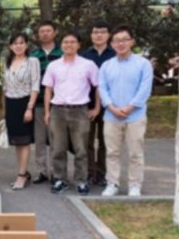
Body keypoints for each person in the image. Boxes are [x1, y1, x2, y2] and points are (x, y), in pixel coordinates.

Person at [43, 31, 99, 195]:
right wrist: (47, 112)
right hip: (57, 110)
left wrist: (96, 108)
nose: (69, 45)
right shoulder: (54, 66)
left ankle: (81, 181)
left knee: (81, 149)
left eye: (72, 42)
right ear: (61, 45)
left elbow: (98, 87)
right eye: (65, 42)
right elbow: (48, 90)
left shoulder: (88, 65)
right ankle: (60, 179)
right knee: (57, 148)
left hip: (80, 110)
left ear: (79, 45)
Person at [99, 25, 153, 197]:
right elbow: (102, 89)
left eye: (124, 40)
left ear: (132, 42)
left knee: (135, 153)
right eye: (116, 41)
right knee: (112, 152)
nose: (120, 44)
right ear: (112, 44)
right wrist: (111, 107)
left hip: (135, 116)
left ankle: (135, 185)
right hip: (111, 115)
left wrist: (130, 107)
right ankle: (112, 183)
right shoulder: (106, 65)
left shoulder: (143, 64)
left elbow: (145, 89)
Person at [80, 20, 116, 187]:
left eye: (102, 32)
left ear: (108, 35)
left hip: (110, 105)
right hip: (87, 104)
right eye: (95, 32)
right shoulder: (84, 56)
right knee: (86, 141)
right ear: (91, 35)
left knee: (105, 141)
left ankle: (102, 173)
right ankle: (89, 171)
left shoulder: (114, 55)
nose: (99, 35)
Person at [3, 33, 40, 189]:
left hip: (25, 103)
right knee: (17, 141)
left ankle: (21, 175)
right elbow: (6, 87)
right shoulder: (8, 62)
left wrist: (29, 108)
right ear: (10, 46)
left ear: (26, 45)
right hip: (11, 104)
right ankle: (23, 172)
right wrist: (5, 111)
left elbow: (35, 85)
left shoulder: (32, 61)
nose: (18, 46)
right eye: (15, 43)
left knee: (24, 141)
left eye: (21, 43)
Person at [30, 20, 63, 184]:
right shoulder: (33, 55)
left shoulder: (62, 52)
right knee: (40, 139)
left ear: (54, 32)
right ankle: (42, 171)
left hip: (58, 103)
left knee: (56, 139)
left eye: (48, 30)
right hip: (38, 103)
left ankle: (56, 172)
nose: (45, 33)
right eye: (42, 31)